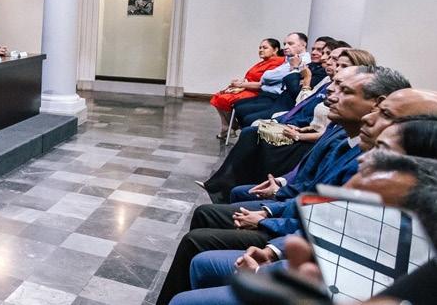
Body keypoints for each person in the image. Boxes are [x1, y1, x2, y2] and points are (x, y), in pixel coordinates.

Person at [155, 66, 411, 305]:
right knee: (211, 213)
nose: (332, 92)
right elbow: (311, 189)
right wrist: (277, 196)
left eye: (344, 89)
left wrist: (269, 226)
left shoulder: (378, 171)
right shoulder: (346, 138)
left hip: (296, 244)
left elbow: (324, 226)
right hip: (294, 229)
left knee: (198, 248)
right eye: (334, 84)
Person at [200, 47, 373, 201]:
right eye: (335, 61)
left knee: (253, 134)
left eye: (342, 64)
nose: (329, 62)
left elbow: (324, 128)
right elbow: (303, 104)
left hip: (306, 141)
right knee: (250, 126)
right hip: (300, 126)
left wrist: (299, 133)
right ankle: (227, 185)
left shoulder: (339, 96)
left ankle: (230, 186)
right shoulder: (327, 83)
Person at [231, 32, 310, 128]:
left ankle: (248, 133)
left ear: (303, 44)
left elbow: (267, 77)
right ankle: (244, 132)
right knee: (238, 105)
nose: (285, 47)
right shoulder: (289, 59)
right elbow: (266, 77)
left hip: (280, 99)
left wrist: (265, 80)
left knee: (246, 114)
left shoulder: (302, 61)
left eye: (290, 43)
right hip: (270, 94)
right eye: (285, 44)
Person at [209, 38, 285, 138]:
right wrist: (239, 82)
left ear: (275, 50)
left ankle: (232, 126)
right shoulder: (265, 61)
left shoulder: (277, 63)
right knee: (218, 96)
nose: (261, 50)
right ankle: (226, 127)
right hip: (248, 88)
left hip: (257, 91)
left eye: (265, 48)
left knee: (224, 98)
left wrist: (241, 85)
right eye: (260, 48)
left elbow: (262, 84)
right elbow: (251, 77)